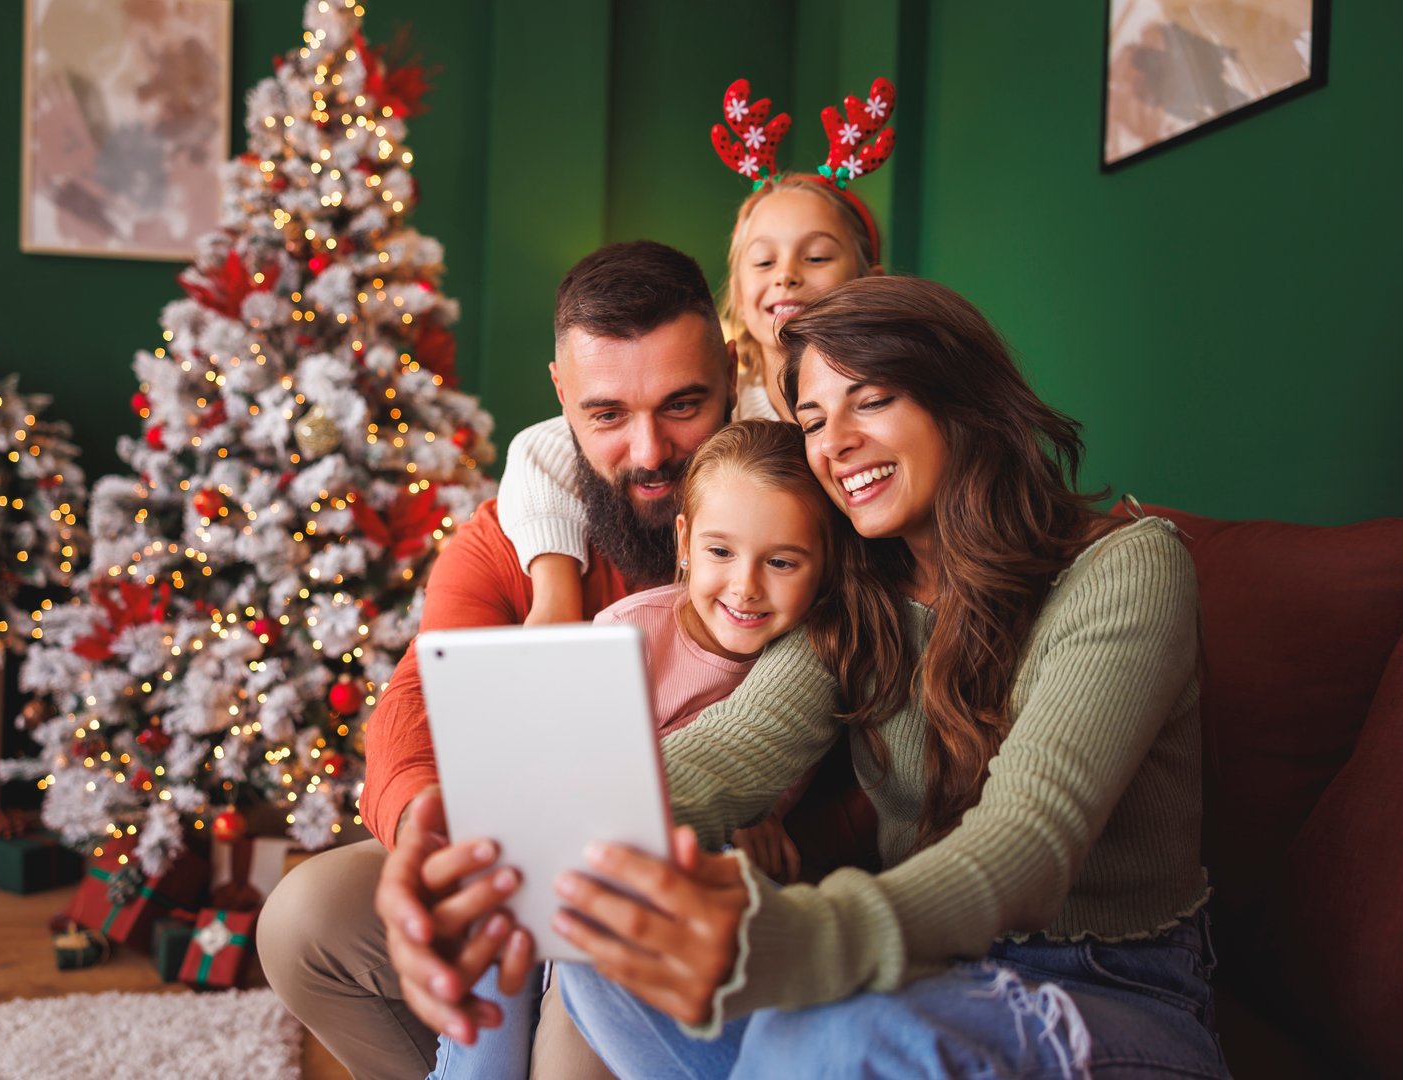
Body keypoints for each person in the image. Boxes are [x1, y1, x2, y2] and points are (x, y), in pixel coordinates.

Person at [541, 275, 1228, 1078]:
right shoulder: (856, 589)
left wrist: (796, 939)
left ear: (959, 398)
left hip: (1105, 984)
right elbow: (729, 750)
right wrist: (527, 830)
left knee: (826, 1037)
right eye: (812, 420)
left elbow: (1030, 842)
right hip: (924, 973)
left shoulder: (1127, 568)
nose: (833, 443)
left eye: (868, 401)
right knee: (601, 951)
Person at [258, 239, 738, 1080]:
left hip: (697, 890)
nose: (650, 451)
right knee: (303, 917)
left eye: (683, 405)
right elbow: (413, 704)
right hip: (518, 864)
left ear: (730, 373)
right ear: (561, 395)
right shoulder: (510, 536)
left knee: (569, 1043)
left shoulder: (785, 533)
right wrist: (422, 827)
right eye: (606, 416)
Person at [430, 418, 847, 1079]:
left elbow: (754, 776)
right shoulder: (626, 635)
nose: (744, 587)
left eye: (781, 562)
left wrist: (754, 822)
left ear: (824, 568)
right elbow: (564, 771)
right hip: (574, 853)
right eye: (720, 553)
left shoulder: (805, 666)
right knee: (495, 928)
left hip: (673, 889)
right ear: (683, 541)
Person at [505, 172, 885, 627]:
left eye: (818, 256)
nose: (787, 275)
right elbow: (540, 449)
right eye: (763, 263)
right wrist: (554, 589)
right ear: (739, 297)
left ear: (870, 281)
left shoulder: (888, 404)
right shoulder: (737, 409)